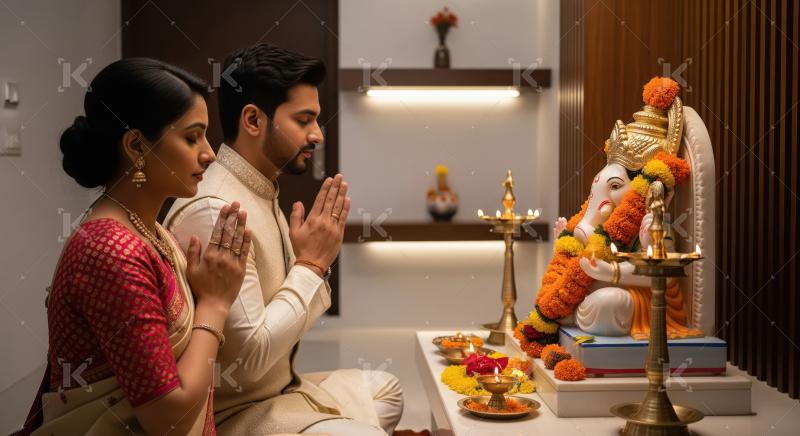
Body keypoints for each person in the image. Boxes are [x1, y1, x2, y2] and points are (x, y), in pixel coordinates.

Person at [166, 44, 403, 435]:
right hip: (233, 413)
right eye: (304, 120)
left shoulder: (260, 188)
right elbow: (250, 360)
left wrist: (304, 266)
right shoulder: (218, 209)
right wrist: (310, 267)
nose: (317, 136)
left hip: (280, 392)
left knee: (386, 389)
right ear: (254, 120)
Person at [21, 58, 250, 435]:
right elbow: (167, 419)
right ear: (136, 145)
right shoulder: (112, 250)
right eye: (192, 137)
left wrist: (200, 290)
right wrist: (215, 303)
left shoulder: (149, 230)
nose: (209, 153)